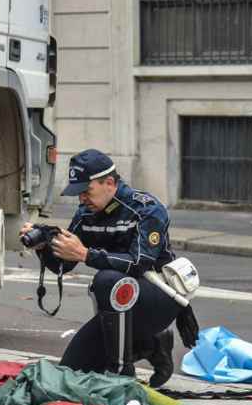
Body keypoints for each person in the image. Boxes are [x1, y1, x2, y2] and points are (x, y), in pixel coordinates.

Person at [19, 149, 186, 387]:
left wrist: (85, 254)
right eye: (78, 194)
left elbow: (140, 263)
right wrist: (45, 246)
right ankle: (153, 345)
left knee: (107, 281)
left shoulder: (146, 209)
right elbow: (63, 266)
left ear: (109, 183)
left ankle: (121, 373)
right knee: (69, 373)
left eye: (86, 191)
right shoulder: (86, 214)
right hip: (118, 307)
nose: (82, 199)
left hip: (160, 297)